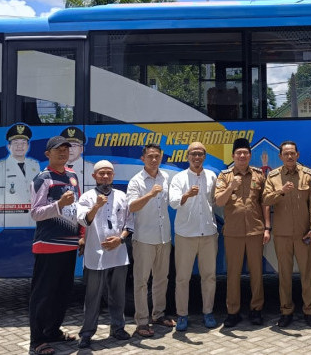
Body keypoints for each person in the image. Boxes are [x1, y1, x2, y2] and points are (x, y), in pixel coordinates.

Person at [28, 136, 81, 355]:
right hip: (48, 245)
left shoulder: (72, 176)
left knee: (62, 293)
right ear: (47, 154)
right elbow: (35, 213)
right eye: (58, 150)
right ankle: (37, 340)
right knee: (43, 294)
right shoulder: (43, 178)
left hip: (69, 245)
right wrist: (59, 204)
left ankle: (53, 331)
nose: (63, 153)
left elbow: (77, 208)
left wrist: (82, 234)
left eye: (66, 149)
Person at [214, 138, 271, 328]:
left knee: (256, 273)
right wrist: (231, 187)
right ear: (233, 156)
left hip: (255, 231)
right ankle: (233, 312)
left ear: (249, 155)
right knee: (233, 274)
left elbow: (265, 203)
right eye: (238, 153)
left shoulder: (258, 175)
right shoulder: (224, 176)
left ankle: (256, 310)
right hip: (233, 232)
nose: (242, 156)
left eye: (245, 153)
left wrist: (267, 227)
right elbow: (219, 202)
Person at [76, 160, 133, 348]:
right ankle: (87, 333)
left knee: (118, 295)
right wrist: (96, 207)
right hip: (96, 254)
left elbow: (129, 225)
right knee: (93, 296)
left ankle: (118, 328)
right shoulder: (86, 197)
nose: (106, 176)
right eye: (102, 173)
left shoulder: (122, 196)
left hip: (118, 253)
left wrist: (120, 239)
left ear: (113, 176)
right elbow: (84, 220)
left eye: (109, 173)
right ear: (94, 176)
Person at [263, 141, 311, 328]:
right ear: (280, 157)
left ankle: (309, 311)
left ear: (298, 154)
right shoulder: (273, 176)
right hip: (282, 235)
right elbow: (265, 200)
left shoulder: (308, 174)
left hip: (304, 234)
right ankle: (286, 311)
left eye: (292, 153)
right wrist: (281, 191)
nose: (289, 156)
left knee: (307, 275)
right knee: (284, 276)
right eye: (286, 154)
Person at [169, 142, 219, 331]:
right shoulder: (179, 178)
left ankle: (208, 312)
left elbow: (215, 201)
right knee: (182, 278)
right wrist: (187, 194)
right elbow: (173, 202)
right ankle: (182, 315)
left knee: (209, 276)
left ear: (204, 156)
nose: (197, 157)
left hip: (208, 233)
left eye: (200, 154)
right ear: (187, 156)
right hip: (185, 234)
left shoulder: (211, 176)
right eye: (193, 154)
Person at [127, 143, 174, 337]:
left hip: (164, 237)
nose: (154, 160)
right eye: (150, 156)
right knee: (141, 282)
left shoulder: (166, 177)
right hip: (144, 238)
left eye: (157, 156)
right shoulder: (136, 181)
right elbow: (132, 206)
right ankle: (142, 322)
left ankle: (158, 314)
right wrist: (150, 194)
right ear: (143, 158)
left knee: (162, 279)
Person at [0, 123, 41, 228]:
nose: (19, 146)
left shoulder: (35, 165)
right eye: (15, 143)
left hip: (34, 223)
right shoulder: (0, 167)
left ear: (28, 146)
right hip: (11, 224)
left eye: (23, 143)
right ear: (9, 146)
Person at [60, 126, 96, 192]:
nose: (70, 149)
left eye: (74, 146)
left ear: (81, 149)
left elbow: (94, 194)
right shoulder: (57, 167)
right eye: (67, 146)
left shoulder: (90, 168)